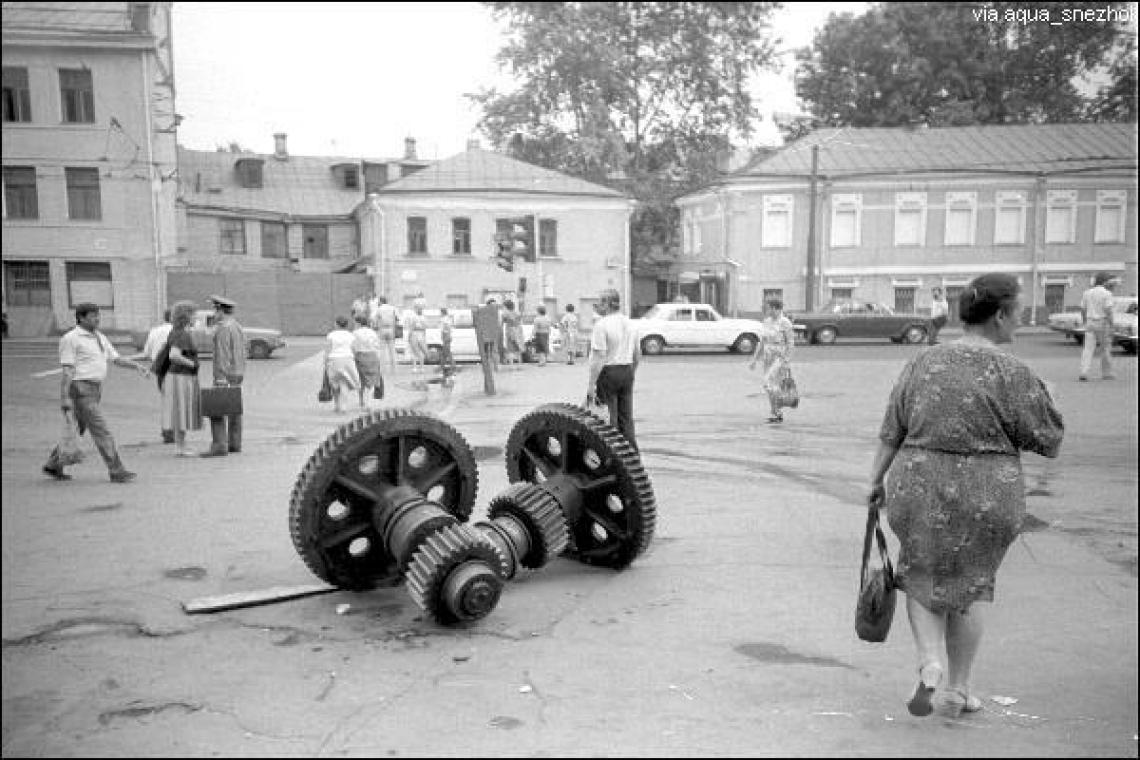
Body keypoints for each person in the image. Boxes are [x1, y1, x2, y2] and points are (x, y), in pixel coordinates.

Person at [868, 273, 1063, 719]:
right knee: (972, 586)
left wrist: (874, 482)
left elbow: (890, 429)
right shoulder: (1013, 371)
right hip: (987, 490)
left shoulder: (923, 361)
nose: (1017, 320)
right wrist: (1052, 399)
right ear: (1000, 315)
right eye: (1017, 311)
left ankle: (930, 663)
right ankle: (958, 689)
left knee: (920, 574)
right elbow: (1047, 438)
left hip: (919, 482)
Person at [42, 302, 151, 483]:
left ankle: (53, 464)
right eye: (93, 316)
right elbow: (68, 370)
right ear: (81, 318)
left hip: (94, 390)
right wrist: (65, 398)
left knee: (75, 429)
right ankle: (116, 470)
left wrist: (137, 366)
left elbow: (115, 358)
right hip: (80, 389)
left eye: (98, 315)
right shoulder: (71, 339)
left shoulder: (99, 337)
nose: (97, 319)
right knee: (102, 430)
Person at [586, 288, 640, 450]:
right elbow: (638, 354)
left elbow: (599, 356)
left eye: (600, 302)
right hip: (627, 370)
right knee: (626, 418)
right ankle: (632, 455)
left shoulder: (601, 325)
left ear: (607, 304)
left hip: (608, 372)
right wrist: (631, 373)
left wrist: (591, 384)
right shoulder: (631, 324)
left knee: (610, 419)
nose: (597, 306)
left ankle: (613, 458)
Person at [199, 295, 246, 457]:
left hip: (224, 374)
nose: (214, 313)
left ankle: (219, 445)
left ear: (220, 309)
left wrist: (220, 377)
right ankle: (234, 443)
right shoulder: (237, 326)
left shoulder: (223, 328)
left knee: (217, 409)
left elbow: (223, 354)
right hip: (238, 373)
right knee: (234, 410)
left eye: (215, 309)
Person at [157, 301, 203, 457]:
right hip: (180, 376)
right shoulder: (182, 334)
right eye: (194, 314)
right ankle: (181, 447)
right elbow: (174, 355)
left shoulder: (175, 331)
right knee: (181, 412)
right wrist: (192, 364)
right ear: (186, 315)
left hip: (177, 376)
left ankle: (180, 446)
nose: (196, 317)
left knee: (179, 412)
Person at [748, 297, 797, 424]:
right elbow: (762, 342)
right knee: (771, 386)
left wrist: (786, 360)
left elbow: (790, 343)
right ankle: (776, 413)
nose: (766, 309)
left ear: (775, 308)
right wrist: (754, 359)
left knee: (768, 383)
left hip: (779, 358)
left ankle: (779, 406)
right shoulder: (766, 321)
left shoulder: (785, 323)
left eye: (768, 307)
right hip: (767, 357)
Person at [131, 309, 174, 442]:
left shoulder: (154, 331)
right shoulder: (178, 331)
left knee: (167, 400)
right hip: (175, 368)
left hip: (161, 369)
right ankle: (174, 432)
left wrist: (124, 358)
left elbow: (146, 354)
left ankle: (168, 432)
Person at [1078, 271, 1118, 381]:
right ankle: (1107, 373)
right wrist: (1112, 325)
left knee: (1088, 348)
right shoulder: (1107, 294)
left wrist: (1085, 321)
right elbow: (1108, 310)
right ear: (1104, 281)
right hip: (1102, 322)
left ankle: (1084, 372)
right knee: (1105, 348)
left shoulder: (1087, 293)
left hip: (1090, 322)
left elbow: (1082, 309)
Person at [351, 313, 383, 409]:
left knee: (360, 380)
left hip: (359, 356)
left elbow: (352, 347)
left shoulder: (355, 333)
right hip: (372, 356)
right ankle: (366, 402)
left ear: (358, 323)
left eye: (355, 322)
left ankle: (362, 401)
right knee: (370, 381)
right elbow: (377, 346)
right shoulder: (373, 332)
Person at [373, 296, 400, 373]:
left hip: (382, 329)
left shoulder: (379, 309)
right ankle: (394, 369)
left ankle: (382, 369)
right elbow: (398, 318)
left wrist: (376, 325)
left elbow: (375, 319)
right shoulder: (392, 308)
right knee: (392, 350)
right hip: (391, 329)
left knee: (382, 351)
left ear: (381, 302)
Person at [405, 302, 428, 378]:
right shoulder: (424, 318)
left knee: (414, 352)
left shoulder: (414, 317)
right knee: (421, 352)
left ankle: (414, 367)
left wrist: (409, 336)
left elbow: (411, 327)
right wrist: (424, 336)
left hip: (414, 334)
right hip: (421, 335)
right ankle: (422, 367)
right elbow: (425, 328)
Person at [501, 298, 524, 369]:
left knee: (510, 349)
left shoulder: (505, 314)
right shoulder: (518, 313)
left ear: (506, 306)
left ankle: (512, 365)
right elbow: (520, 321)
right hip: (518, 331)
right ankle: (520, 365)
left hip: (510, 331)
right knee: (518, 349)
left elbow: (502, 322)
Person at [439, 307, 457, 379]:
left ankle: (453, 369)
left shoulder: (444, 319)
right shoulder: (448, 318)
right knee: (444, 354)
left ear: (442, 312)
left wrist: (444, 336)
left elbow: (446, 328)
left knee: (447, 353)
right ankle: (442, 368)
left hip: (446, 336)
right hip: (447, 336)